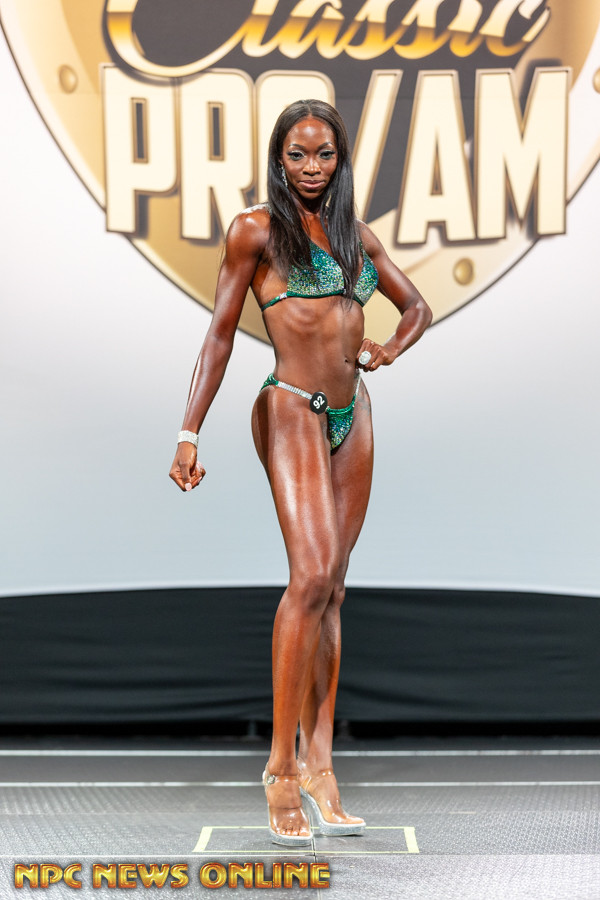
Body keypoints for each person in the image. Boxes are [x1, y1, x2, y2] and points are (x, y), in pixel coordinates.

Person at [169, 99, 432, 846]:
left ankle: (320, 765)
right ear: (279, 159)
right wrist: (188, 430)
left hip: (354, 414)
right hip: (289, 407)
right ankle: (280, 771)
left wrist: (387, 349)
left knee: (334, 588)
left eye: (324, 155)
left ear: (340, 160)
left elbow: (416, 307)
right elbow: (219, 335)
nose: (311, 167)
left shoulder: (355, 236)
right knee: (310, 577)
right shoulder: (255, 230)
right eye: (297, 154)